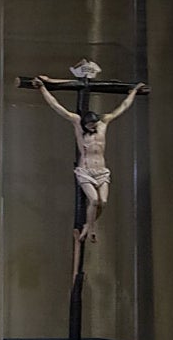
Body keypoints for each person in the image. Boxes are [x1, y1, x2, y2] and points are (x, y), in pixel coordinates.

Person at [34, 74, 141, 243]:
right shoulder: (78, 124)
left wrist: (133, 92)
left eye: (95, 124)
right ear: (85, 124)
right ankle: (91, 229)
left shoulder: (103, 124)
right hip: (86, 170)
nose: (94, 127)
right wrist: (42, 88)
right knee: (94, 200)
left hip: (101, 171)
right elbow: (57, 106)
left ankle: (87, 225)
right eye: (90, 125)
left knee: (103, 202)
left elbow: (123, 107)